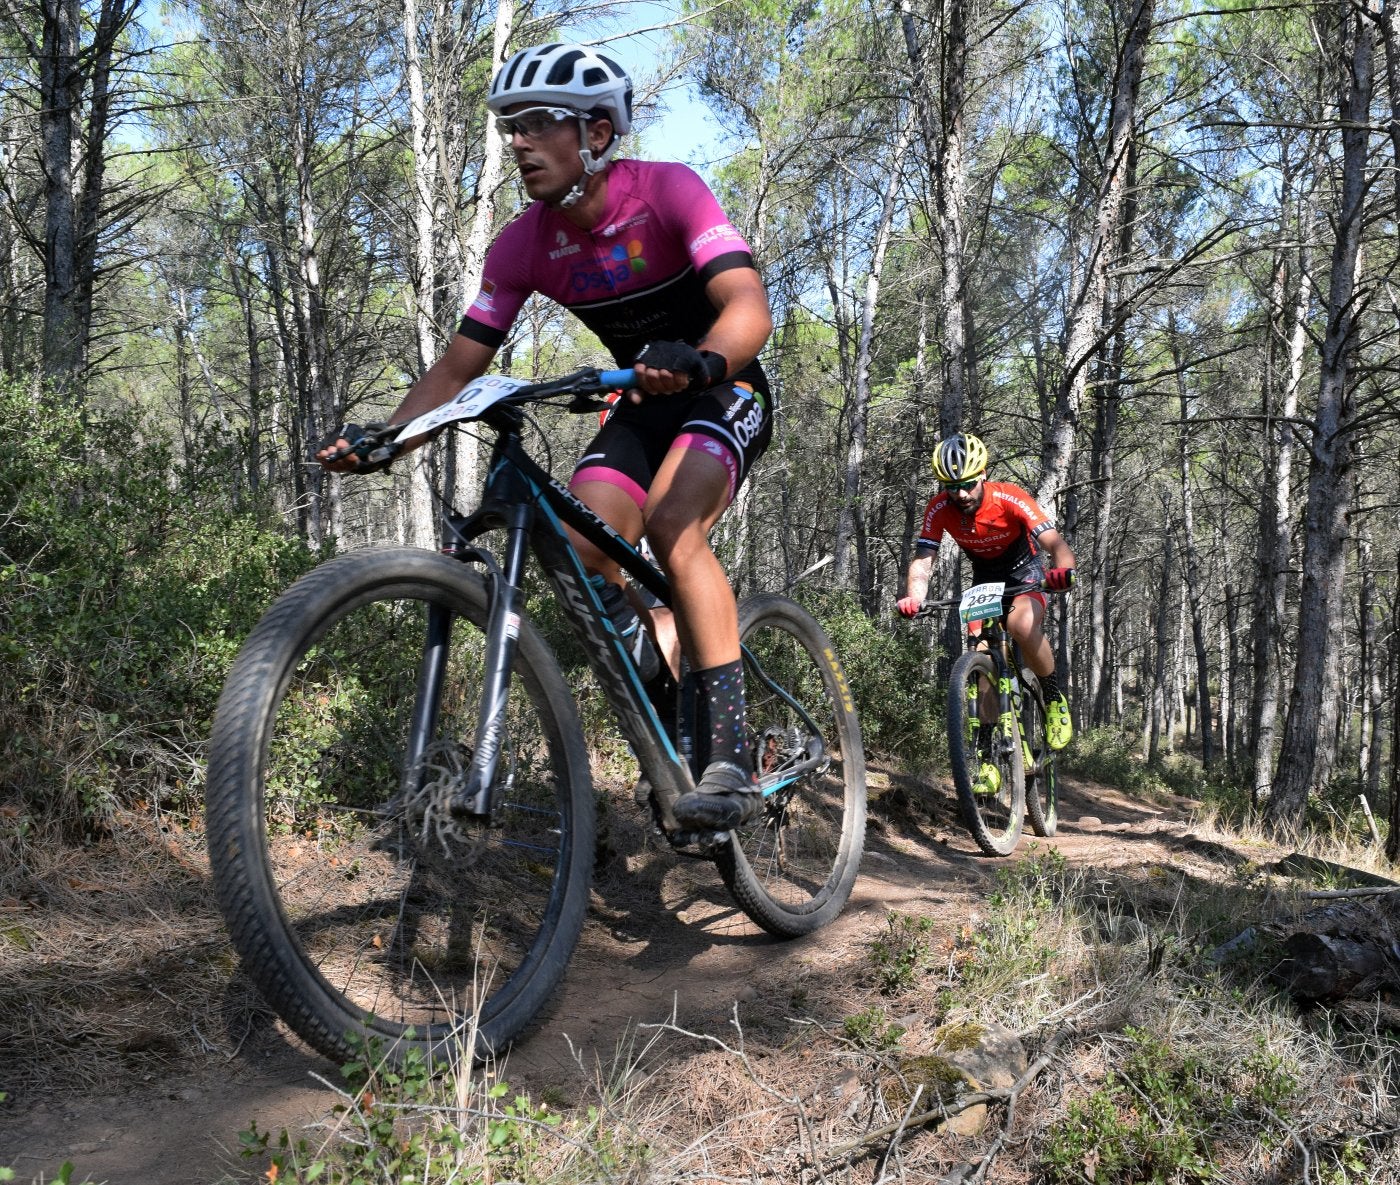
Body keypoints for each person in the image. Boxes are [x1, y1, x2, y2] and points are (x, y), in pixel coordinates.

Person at [318, 43, 775, 831]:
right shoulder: (523, 242)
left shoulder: (669, 191)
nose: (518, 143)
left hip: (720, 385)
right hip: (640, 398)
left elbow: (748, 308)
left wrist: (702, 360)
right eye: (509, 129)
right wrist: (391, 437)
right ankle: (663, 639)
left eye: (536, 125)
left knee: (672, 524)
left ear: (596, 134)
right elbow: (458, 366)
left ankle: (730, 757)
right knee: (578, 541)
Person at [896, 433, 1076, 753]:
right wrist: (914, 596)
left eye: (967, 484)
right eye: (952, 488)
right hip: (986, 582)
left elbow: (1055, 544)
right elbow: (924, 561)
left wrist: (1062, 571)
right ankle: (988, 752)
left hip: (1025, 574)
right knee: (981, 653)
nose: (961, 494)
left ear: (983, 475)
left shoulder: (1010, 498)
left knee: (1021, 626)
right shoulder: (939, 509)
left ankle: (1052, 698)